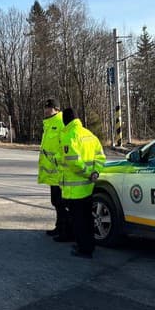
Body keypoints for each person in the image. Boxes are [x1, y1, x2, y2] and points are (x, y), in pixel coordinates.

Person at [59, 108, 106, 259]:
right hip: (88, 186)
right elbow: (100, 156)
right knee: (87, 217)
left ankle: (83, 249)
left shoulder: (69, 136)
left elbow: (73, 162)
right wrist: (95, 172)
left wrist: (87, 172)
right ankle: (89, 244)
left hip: (74, 188)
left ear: (66, 120)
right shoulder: (89, 134)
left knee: (78, 221)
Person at [37, 98, 65, 239]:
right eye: (46, 108)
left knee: (61, 202)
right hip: (52, 172)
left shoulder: (60, 122)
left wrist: (57, 159)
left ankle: (64, 230)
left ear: (57, 109)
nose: (47, 110)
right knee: (56, 201)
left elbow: (65, 145)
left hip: (60, 171)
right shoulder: (48, 124)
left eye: (50, 108)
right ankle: (59, 227)